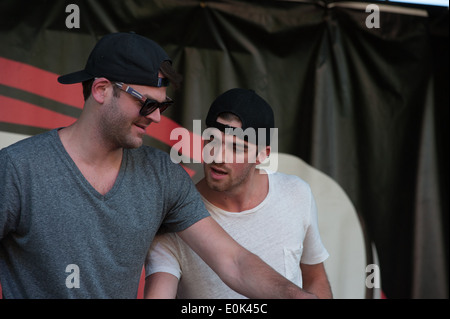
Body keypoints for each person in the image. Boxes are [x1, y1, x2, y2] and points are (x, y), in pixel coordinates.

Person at [0, 32, 316, 299]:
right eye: (147, 103)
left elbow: (232, 261)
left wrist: (294, 296)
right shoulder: (17, 169)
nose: (156, 116)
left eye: (163, 105)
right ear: (101, 90)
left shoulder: (162, 175)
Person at [144, 88, 333, 299]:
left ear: (263, 154)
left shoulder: (296, 193)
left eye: (235, 147)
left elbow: (315, 277)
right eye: (212, 140)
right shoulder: (178, 216)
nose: (218, 156)